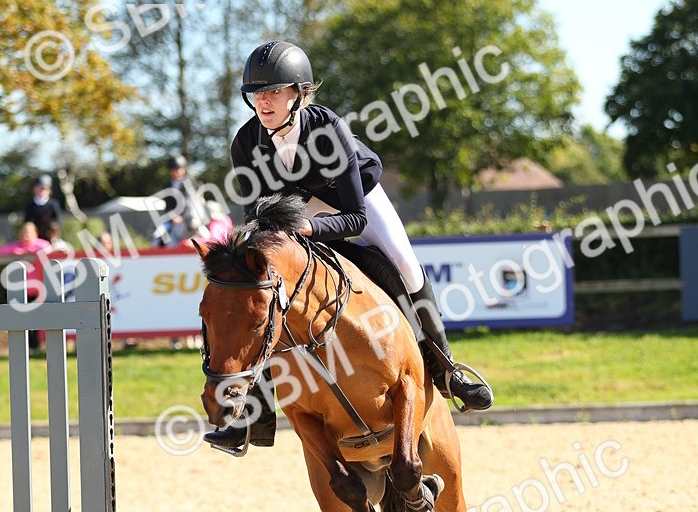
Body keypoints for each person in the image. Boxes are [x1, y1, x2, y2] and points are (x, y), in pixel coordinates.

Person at [205, 40, 493, 454]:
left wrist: (309, 226)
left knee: (405, 264)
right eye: (256, 93)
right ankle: (254, 412)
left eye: (274, 91)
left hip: (352, 198)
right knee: (261, 287)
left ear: (299, 94)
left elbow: (355, 218)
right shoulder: (245, 142)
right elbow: (259, 219)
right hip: (293, 208)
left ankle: (447, 368)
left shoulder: (328, 128)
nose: (263, 101)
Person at [0, 222, 53, 350]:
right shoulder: (15, 247)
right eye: (23, 233)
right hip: (18, 290)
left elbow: (50, 252)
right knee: (20, 318)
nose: (26, 236)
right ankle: (25, 346)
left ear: (35, 234)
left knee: (37, 318)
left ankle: (36, 345)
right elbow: (1, 252)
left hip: (37, 289)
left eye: (28, 233)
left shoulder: (42, 245)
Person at [153, 154, 210, 246]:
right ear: (170, 171)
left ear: (184, 169)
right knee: (157, 234)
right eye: (174, 170)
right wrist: (173, 216)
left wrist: (185, 216)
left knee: (207, 235)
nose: (177, 172)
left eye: (179, 169)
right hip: (173, 219)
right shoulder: (167, 185)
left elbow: (194, 203)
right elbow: (167, 205)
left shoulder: (192, 183)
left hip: (190, 216)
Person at [24, 173, 61, 240]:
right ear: (34, 189)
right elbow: (27, 222)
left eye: (44, 188)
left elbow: (57, 220)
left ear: (49, 190)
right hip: (35, 237)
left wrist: (54, 233)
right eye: (39, 187)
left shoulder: (53, 204)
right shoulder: (30, 205)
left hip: (50, 236)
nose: (41, 190)